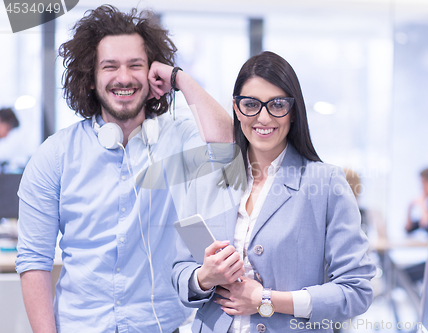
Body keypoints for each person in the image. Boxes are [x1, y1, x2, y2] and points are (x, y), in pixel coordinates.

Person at [15, 5, 232, 333]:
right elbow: (34, 260)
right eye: (110, 66)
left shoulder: (178, 141)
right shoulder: (54, 156)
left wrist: (179, 78)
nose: (124, 77)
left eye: (136, 65)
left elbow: (230, 146)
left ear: (152, 74)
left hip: (160, 326)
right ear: (91, 78)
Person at [172, 51, 376, 333]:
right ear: (236, 108)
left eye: (277, 104)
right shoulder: (207, 178)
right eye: (251, 104)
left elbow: (357, 290)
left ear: (293, 112)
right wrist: (204, 278)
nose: (264, 118)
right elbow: (180, 270)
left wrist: (265, 300)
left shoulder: (326, 183)